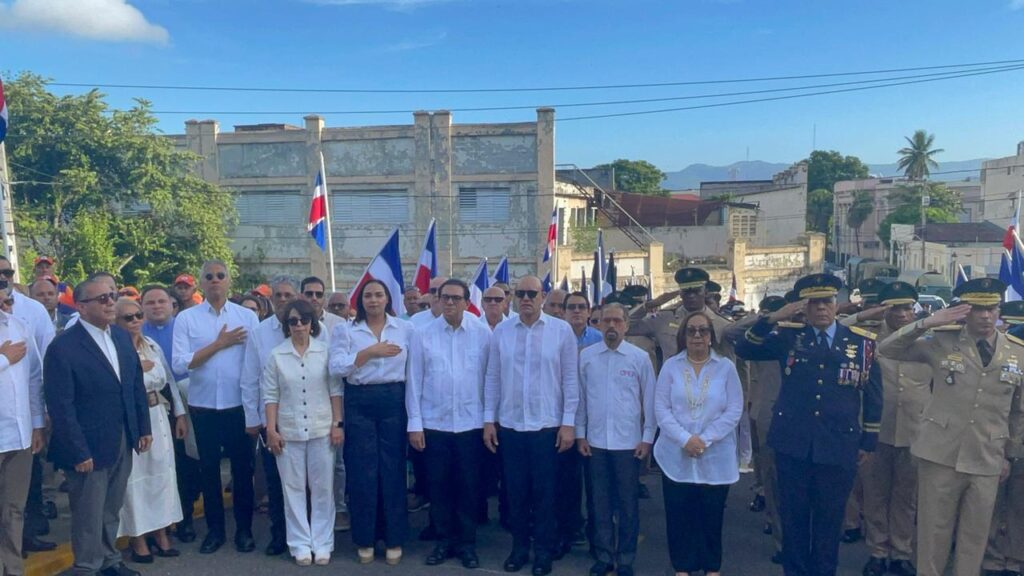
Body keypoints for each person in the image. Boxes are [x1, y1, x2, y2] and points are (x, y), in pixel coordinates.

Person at [735, 273, 882, 576]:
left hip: (838, 445)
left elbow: (874, 395)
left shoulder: (860, 343)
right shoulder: (788, 337)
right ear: (804, 308)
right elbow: (745, 348)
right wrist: (773, 317)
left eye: (826, 301)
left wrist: (868, 441)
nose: (821, 309)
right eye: (813, 303)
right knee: (794, 521)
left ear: (837, 304)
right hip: (793, 444)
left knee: (830, 522)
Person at [878, 278, 1024, 576]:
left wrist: (1010, 453)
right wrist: (926, 322)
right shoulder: (942, 341)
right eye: (978, 309)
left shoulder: (1016, 351)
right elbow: (888, 349)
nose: (985, 315)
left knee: (974, 538)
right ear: (965, 311)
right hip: (940, 454)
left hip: (987, 455)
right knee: (934, 534)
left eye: (991, 308)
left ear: (999, 311)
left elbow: (1018, 411)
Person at [45, 277, 152, 576]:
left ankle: (109, 560)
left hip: (121, 436)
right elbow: (61, 405)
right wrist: (78, 450)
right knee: (88, 512)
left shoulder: (119, 336)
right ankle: (86, 567)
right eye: (101, 298)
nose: (109, 302)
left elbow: (134, 384)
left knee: (111, 507)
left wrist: (142, 426)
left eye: (112, 296)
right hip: (87, 444)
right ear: (81, 306)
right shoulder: (63, 347)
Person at [483, 275, 579, 576]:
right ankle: (520, 548)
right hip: (511, 427)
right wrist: (489, 419)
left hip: (547, 428)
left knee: (545, 494)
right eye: (520, 293)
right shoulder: (502, 332)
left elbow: (570, 381)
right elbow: (493, 378)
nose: (526, 298)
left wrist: (568, 424)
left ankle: (544, 553)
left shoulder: (561, 332)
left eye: (532, 293)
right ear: (513, 297)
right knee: (516, 494)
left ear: (543, 296)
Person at [843, 282, 932, 576]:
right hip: (875, 430)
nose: (903, 314)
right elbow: (837, 329)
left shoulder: (928, 340)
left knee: (906, 498)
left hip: (915, 432)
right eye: (895, 307)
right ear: (884, 310)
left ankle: (901, 552)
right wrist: (862, 315)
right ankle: (878, 551)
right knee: (875, 495)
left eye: (908, 307)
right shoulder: (864, 339)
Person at [172, 260, 260, 555]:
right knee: (208, 472)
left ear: (228, 280)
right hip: (203, 407)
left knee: (242, 473)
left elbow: (257, 363)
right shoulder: (187, 319)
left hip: (239, 407)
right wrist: (219, 343)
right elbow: (181, 363)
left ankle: (244, 531)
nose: (215, 281)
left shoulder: (247, 317)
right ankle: (215, 531)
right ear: (201, 282)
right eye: (208, 276)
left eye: (220, 276)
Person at [407, 278, 491, 569]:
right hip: (434, 425)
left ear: (467, 302)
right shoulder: (423, 334)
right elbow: (414, 381)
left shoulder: (482, 334)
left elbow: (489, 382)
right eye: (445, 298)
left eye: (457, 298)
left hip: (470, 425)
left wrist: (489, 421)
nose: (451, 303)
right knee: (438, 487)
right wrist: (415, 424)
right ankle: (443, 542)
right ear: (438, 301)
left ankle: (466, 544)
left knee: (468, 487)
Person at [329, 279, 413, 565]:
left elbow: (413, 370)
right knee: (362, 471)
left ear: (388, 298)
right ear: (360, 300)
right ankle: (364, 538)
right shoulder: (345, 330)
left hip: (393, 399)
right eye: (368, 295)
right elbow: (337, 367)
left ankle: (393, 538)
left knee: (392, 470)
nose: (373, 300)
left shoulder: (404, 328)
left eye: (379, 295)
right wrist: (368, 353)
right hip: (359, 401)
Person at [656, 311, 743, 576]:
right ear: (683, 335)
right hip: (675, 453)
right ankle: (682, 566)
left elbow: (734, 409)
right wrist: (685, 440)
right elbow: (661, 408)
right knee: (679, 514)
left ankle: (711, 567)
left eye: (703, 331)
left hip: (715, 454)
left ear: (711, 337)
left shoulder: (725, 367)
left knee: (711, 514)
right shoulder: (671, 366)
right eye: (691, 330)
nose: (697, 336)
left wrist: (703, 440)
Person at [576, 302, 655, 576]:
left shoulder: (639, 358)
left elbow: (650, 402)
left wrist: (647, 439)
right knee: (598, 503)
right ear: (598, 324)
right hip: (595, 443)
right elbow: (581, 401)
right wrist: (580, 435)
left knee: (627, 504)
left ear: (626, 325)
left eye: (617, 321)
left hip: (628, 445)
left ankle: (625, 558)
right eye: (606, 321)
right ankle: (604, 556)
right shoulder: (587, 357)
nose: (611, 326)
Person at [262, 299, 343, 566]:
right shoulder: (276, 355)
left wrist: (337, 424)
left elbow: (335, 390)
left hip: (321, 428)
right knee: (293, 489)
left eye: (304, 320)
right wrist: (271, 430)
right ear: (286, 326)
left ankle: (322, 542)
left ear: (312, 323)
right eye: (293, 321)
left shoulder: (325, 351)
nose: (299, 326)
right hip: (289, 430)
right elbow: (270, 395)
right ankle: (299, 543)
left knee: (322, 488)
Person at [114, 298, 187, 563]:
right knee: (135, 479)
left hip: (157, 413)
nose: (134, 321)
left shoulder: (152, 345)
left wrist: (179, 413)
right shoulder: (114, 350)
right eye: (128, 317)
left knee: (162, 475)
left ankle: (161, 531)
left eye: (137, 316)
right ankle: (138, 538)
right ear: (116, 321)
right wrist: (134, 369)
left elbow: (168, 380)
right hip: (132, 417)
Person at [240, 275, 299, 557]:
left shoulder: (313, 329)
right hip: (272, 421)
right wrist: (254, 419)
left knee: (306, 482)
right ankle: (280, 535)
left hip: (307, 418)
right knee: (277, 483)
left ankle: (307, 535)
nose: (283, 300)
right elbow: (250, 378)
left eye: (289, 295)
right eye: (278, 296)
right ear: (271, 299)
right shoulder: (260, 333)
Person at [140, 285, 201, 544]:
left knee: (186, 462)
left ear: (172, 304)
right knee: (155, 466)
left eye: (161, 301)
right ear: (142, 307)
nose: (156, 306)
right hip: (151, 406)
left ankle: (184, 517)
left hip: (187, 400)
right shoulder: (137, 333)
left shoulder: (185, 327)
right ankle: (155, 525)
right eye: (150, 302)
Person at [0, 286, 44, 576]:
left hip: (19, 434)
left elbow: (34, 378)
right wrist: (3, 359)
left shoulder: (18, 326)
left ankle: (12, 569)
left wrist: (38, 424)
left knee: (13, 509)